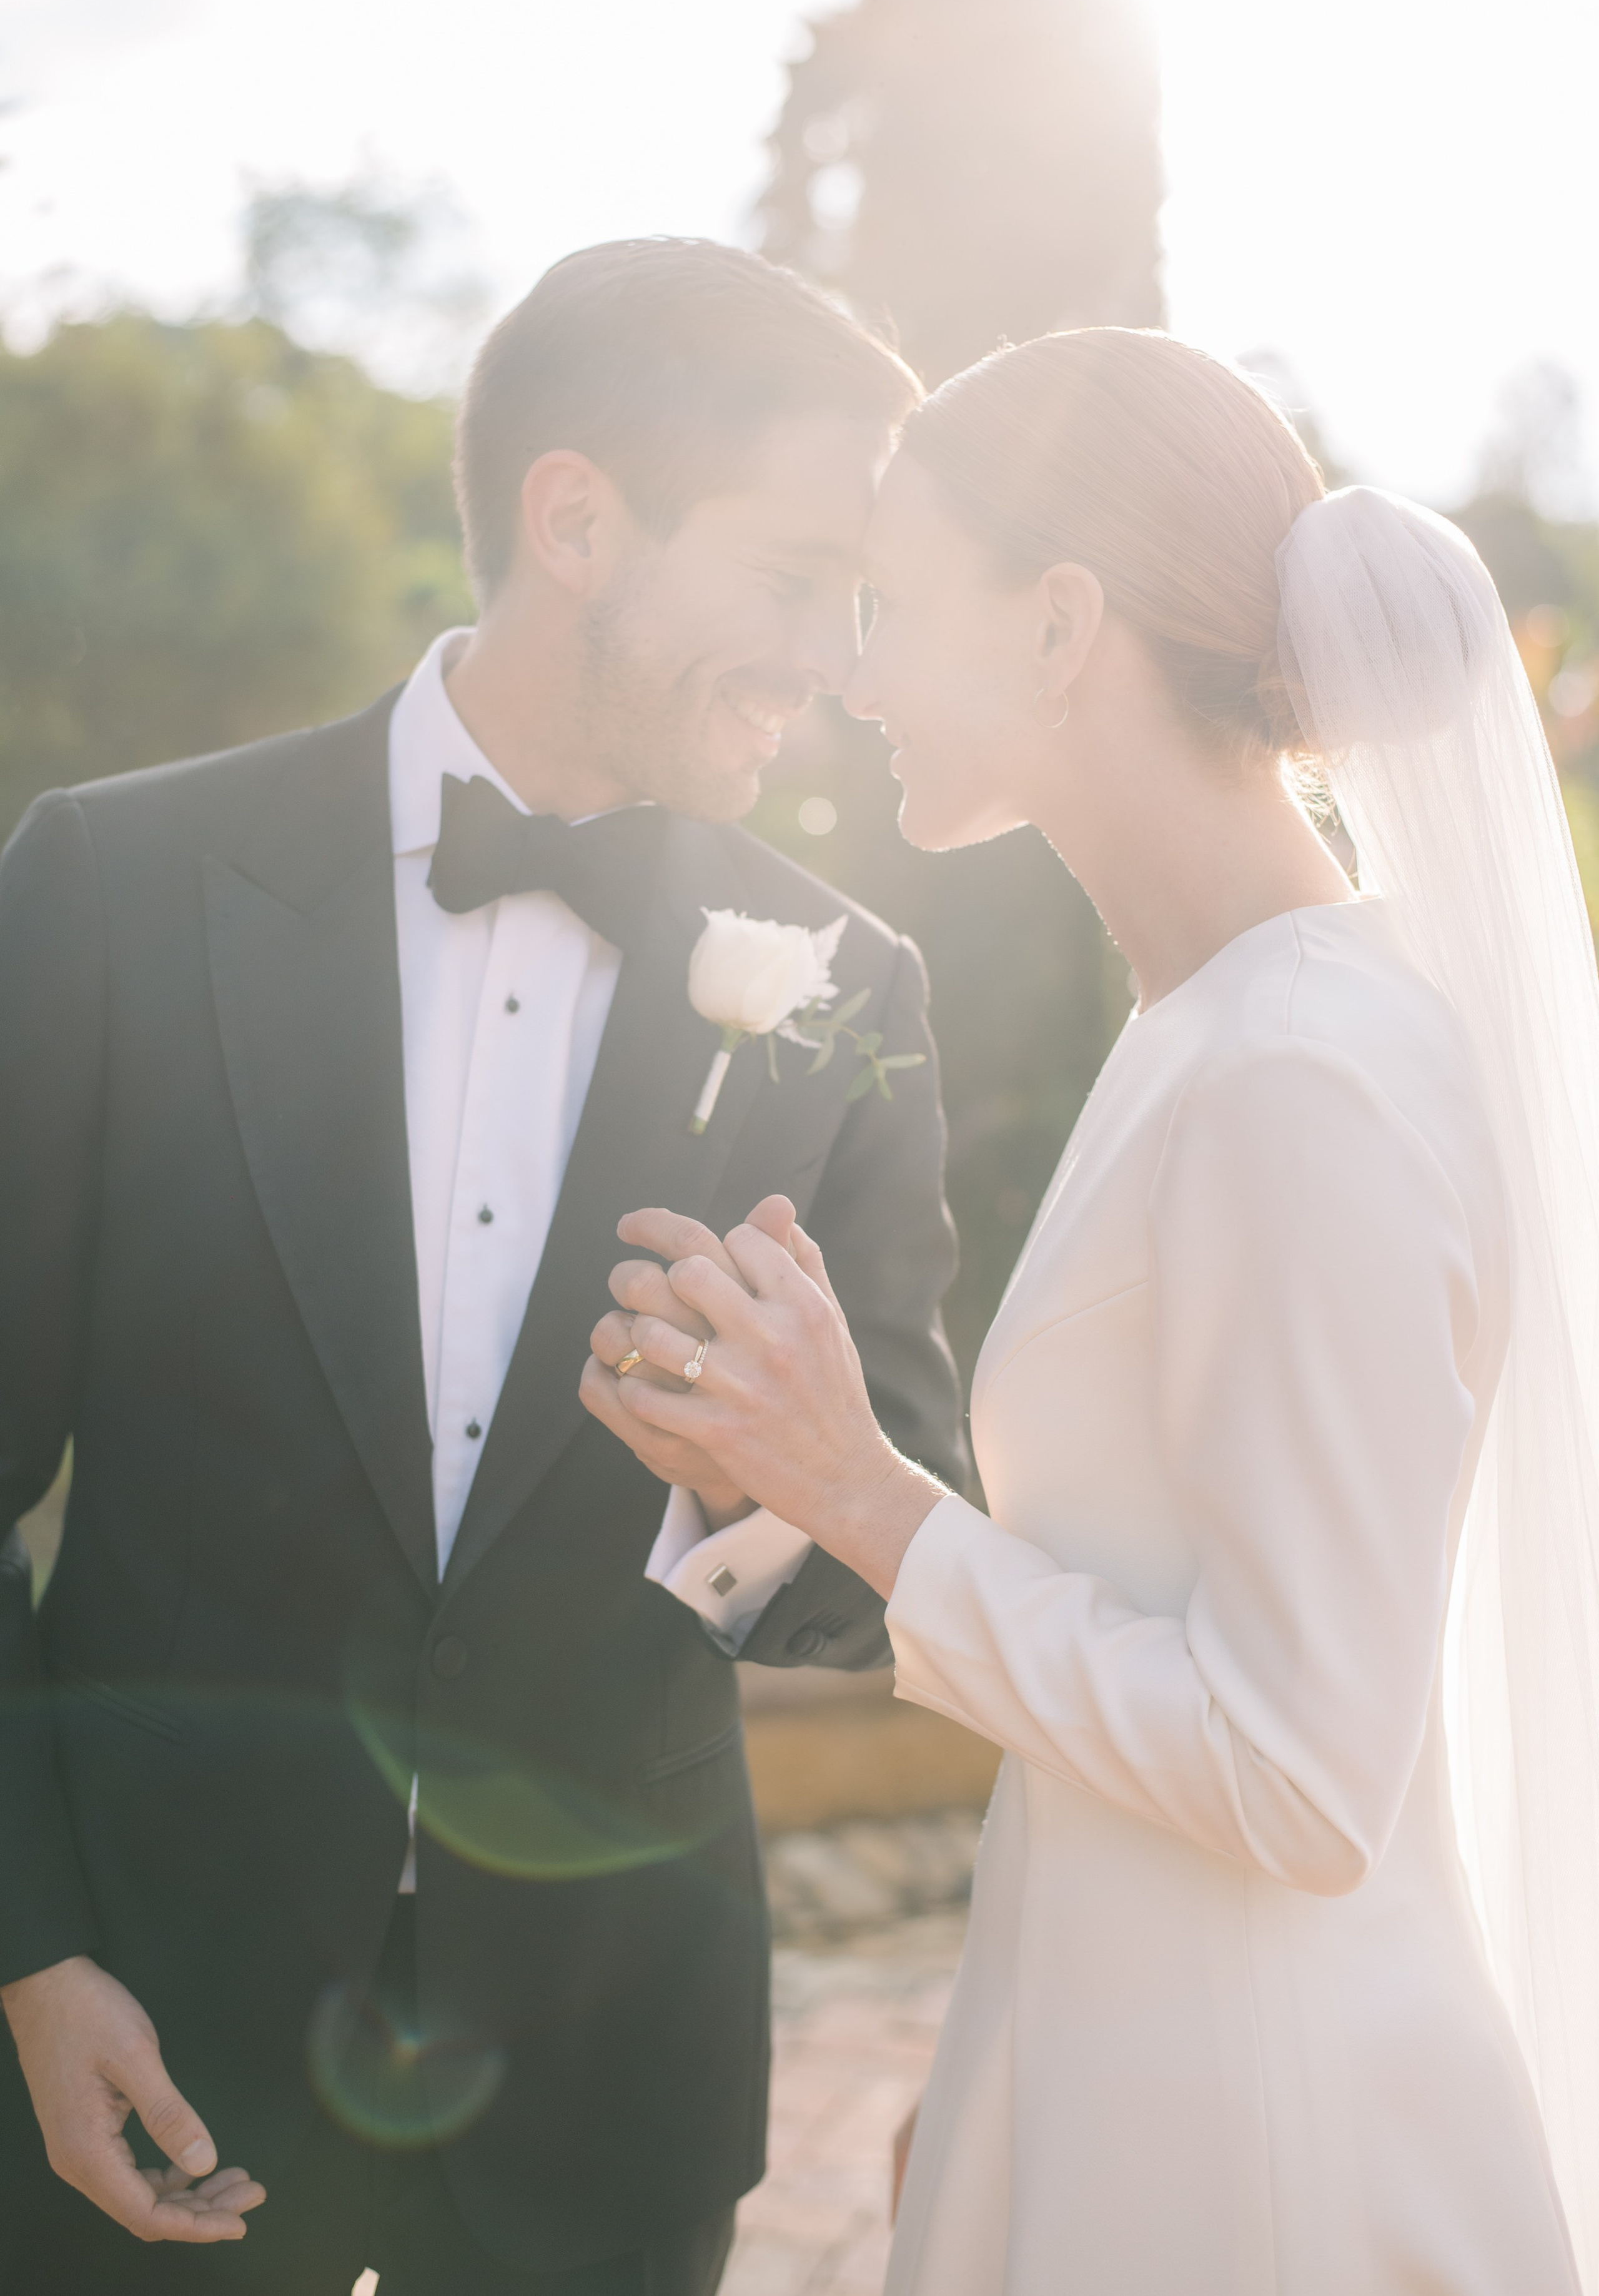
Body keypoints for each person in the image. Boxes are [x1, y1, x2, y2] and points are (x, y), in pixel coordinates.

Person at [585, 327, 1599, 2292]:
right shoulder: (1213, 1020)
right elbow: (1143, 1615)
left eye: (892, 603)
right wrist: (1005, 2053)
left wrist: (868, 1492)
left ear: (1059, 624)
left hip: (1266, 2170)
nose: (853, 676)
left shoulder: (1302, 1071)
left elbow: (1298, 1772)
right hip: (1135, 2074)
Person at [0, 237, 968, 2295]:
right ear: (578, 520)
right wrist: (31, 1949)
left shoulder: (847, 988)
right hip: (141, 2037)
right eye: (795, 577)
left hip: (609, 2087)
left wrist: (747, 1483)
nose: (834, 659)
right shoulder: (109, 886)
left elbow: (889, 1544)